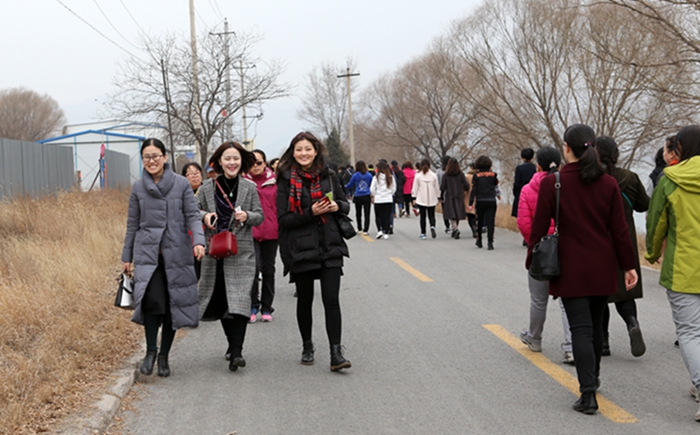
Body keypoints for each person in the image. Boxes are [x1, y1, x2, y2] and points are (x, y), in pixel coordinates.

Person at [527, 124, 637, 415]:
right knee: (596, 327)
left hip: (570, 267)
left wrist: (532, 260)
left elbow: (538, 228)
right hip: (603, 265)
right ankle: (594, 379)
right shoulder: (609, 184)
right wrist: (628, 266)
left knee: (580, 329)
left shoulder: (554, 183)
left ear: (567, 148)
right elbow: (620, 231)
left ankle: (588, 393)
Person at [121, 138, 206, 378]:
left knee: (171, 306)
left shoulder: (181, 184)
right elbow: (132, 224)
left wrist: (199, 241)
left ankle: (164, 356)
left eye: (156, 155)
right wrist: (126, 256)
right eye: (147, 156)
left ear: (165, 157)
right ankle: (150, 351)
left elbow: (192, 215)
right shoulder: (138, 188)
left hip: (177, 253)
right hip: (148, 255)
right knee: (151, 303)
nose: (152, 161)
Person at [277, 131, 352, 371]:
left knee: (331, 300)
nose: (304, 153)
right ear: (293, 152)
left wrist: (335, 206)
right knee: (305, 299)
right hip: (300, 247)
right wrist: (312, 213)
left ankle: (336, 353)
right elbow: (283, 219)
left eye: (308, 149)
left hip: (330, 244)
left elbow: (345, 204)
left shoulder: (329, 176)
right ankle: (307, 345)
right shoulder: (286, 180)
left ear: (316, 150)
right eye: (299, 149)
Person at [646, 125, 700, 422]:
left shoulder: (670, 179)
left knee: (691, 332)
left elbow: (656, 221)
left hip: (683, 269)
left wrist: (652, 253)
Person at [197, 141, 263, 372]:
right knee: (224, 300)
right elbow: (193, 210)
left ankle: (237, 352)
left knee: (241, 299)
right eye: (227, 158)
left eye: (235, 158)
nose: (232, 163)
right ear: (219, 162)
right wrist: (205, 215)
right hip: (214, 253)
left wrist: (247, 216)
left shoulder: (249, 187)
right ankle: (231, 344)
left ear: (241, 162)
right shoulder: (206, 187)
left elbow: (260, 216)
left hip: (242, 252)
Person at [517, 147, 573, 365]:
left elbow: (523, 222)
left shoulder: (528, 189)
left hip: (541, 249)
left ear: (537, 165)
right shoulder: (567, 186)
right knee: (567, 301)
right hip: (566, 248)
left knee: (539, 299)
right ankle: (570, 347)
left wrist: (536, 243)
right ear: (558, 164)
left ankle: (535, 337)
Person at [595, 136, 649, 358]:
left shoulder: (593, 178)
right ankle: (632, 323)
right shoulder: (629, 177)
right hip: (624, 239)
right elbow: (644, 204)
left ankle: (604, 341)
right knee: (624, 291)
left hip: (599, 240)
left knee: (601, 294)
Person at [242, 149, 278, 323]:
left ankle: (266, 307)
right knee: (253, 270)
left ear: (265, 163)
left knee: (269, 270)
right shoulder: (243, 182)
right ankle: (252, 305)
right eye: (252, 163)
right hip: (251, 232)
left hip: (272, 232)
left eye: (259, 162)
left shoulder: (275, 181)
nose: (255, 166)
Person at [469, 156, 499, 250]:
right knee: (491, 221)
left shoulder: (477, 176)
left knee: (479, 220)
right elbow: (495, 186)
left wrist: (471, 202)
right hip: (491, 200)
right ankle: (490, 242)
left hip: (480, 200)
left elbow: (474, 189)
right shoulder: (493, 175)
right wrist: (497, 195)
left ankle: (479, 241)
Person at [440, 158, 470, 239]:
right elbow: (466, 185)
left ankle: (455, 229)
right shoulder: (461, 174)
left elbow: (442, 187)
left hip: (449, 196)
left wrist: (441, 196)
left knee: (451, 214)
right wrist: (465, 191)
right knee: (457, 213)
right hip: (459, 195)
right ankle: (454, 229)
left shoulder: (445, 175)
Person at [412, 158, 440, 240]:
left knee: (423, 216)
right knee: (432, 215)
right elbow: (437, 187)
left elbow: (415, 188)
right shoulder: (433, 175)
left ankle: (423, 233)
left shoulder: (418, 176)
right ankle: (432, 226)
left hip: (421, 198)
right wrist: (438, 196)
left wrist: (414, 197)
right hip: (432, 197)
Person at [344, 160, 373, 235]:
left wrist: (343, 187)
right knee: (367, 214)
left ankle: (359, 228)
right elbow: (370, 185)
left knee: (358, 213)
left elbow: (350, 185)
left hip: (358, 195)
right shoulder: (369, 175)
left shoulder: (355, 175)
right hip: (366, 195)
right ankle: (366, 230)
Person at [370, 160, 396, 239]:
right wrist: (389, 194)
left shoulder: (376, 177)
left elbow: (372, 189)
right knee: (387, 216)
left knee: (378, 216)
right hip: (388, 199)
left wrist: (375, 195)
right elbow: (393, 188)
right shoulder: (390, 177)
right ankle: (386, 232)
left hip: (378, 199)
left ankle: (379, 230)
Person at [512, 148, 536, 218]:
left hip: (521, 193)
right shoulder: (535, 168)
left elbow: (516, 183)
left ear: (522, 157)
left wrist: (515, 193)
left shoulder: (519, 168)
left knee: (521, 216)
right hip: (533, 193)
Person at [436, 155, 452, 234]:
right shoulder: (453, 171)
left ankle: (447, 226)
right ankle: (454, 225)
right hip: (453, 193)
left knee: (445, 211)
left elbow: (438, 183)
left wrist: (438, 195)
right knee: (453, 210)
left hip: (443, 194)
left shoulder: (439, 171)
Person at [464, 162, 479, 238]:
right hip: (478, 196)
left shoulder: (467, 176)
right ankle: (477, 227)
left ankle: (473, 227)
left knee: (470, 215)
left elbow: (464, 187)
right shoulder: (479, 175)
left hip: (468, 197)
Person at [391, 160, 405, 226]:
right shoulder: (400, 171)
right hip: (400, 187)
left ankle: (394, 213)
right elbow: (404, 179)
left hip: (393, 187)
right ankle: (400, 208)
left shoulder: (391, 171)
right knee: (400, 200)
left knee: (393, 201)